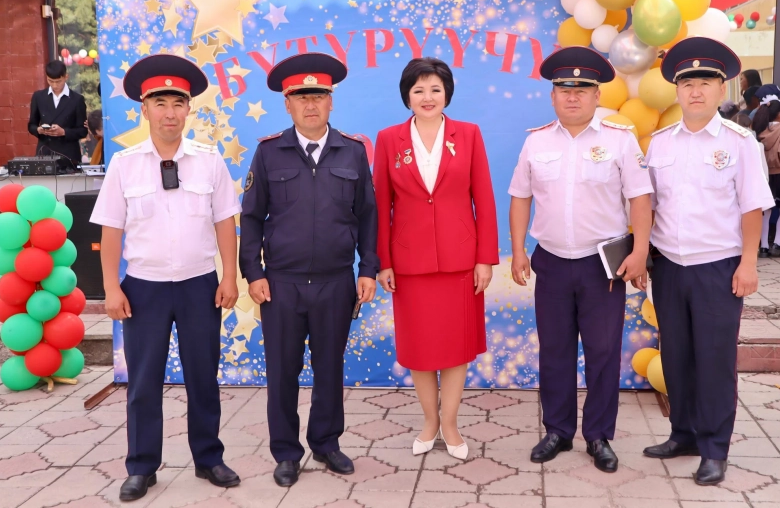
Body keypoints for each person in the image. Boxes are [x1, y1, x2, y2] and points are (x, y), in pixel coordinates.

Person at [90, 55, 242, 501]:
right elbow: (110, 231)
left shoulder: (208, 161)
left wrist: (229, 278)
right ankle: (141, 466)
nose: (169, 113)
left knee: (203, 377)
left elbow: (225, 222)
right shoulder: (124, 164)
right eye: (160, 103)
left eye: (178, 103)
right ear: (144, 109)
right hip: (144, 288)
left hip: (199, 285)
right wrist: (112, 288)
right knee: (143, 382)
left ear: (189, 109)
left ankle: (209, 458)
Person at [508, 47, 653, 473]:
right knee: (554, 350)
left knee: (603, 352)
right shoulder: (536, 141)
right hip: (551, 262)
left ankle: (599, 435)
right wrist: (517, 249)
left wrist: (641, 251)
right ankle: (557, 430)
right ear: (553, 95)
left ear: (596, 95)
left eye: (582, 89)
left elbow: (640, 198)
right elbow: (520, 197)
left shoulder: (619, 140)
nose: (573, 96)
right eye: (564, 89)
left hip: (602, 266)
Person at [239, 53, 379, 487]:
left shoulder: (353, 152)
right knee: (282, 370)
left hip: (336, 282)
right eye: (301, 96)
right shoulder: (269, 153)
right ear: (287, 104)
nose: (311, 104)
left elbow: (368, 216)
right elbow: (251, 217)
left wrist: (368, 268)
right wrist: (253, 272)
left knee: (329, 368)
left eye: (318, 95)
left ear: (331, 101)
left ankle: (326, 443)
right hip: (281, 284)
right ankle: (285, 452)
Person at [639, 37, 774, 486]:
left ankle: (715, 448)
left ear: (721, 89)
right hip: (669, 267)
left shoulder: (740, 143)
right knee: (677, 356)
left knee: (714, 360)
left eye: (705, 83)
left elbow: (752, 207)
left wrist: (749, 264)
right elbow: (648, 206)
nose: (695, 91)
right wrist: (641, 254)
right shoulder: (660, 144)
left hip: (718, 267)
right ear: (677, 91)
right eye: (687, 84)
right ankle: (683, 434)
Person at [374, 58, 499, 461]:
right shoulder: (389, 139)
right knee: (421, 349)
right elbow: (381, 205)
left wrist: (485, 258)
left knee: (456, 347)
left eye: (435, 89)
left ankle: (451, 423)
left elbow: (484, 198)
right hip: (409, 264)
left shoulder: (469, 134)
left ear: (447, 94)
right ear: (407, 96)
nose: (427, 97)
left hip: (461, 261)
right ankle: (429, 422)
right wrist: (383, 261)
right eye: (418, 90)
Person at [753, 94, 780, 258]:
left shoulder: (759, 130)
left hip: (764, 176)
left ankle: (764, 246)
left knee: (766, 211)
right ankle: (778, 243)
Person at [27, 60, 88, 166]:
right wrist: (39, 130)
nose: (55, 85)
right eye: (51, 81)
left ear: (66, 77)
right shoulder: (39, 97)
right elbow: (31, 125)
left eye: (58, 81)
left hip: (69, 154)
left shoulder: (77, 99)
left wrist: (64, 132)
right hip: (45, 152)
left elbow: (83, 131)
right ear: (46, 77)